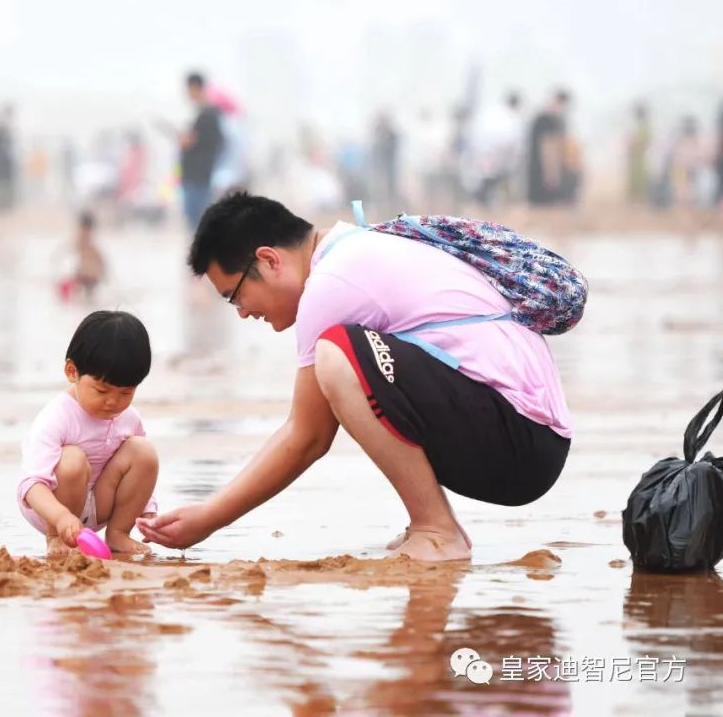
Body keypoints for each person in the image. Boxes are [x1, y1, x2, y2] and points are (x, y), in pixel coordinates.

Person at [137, 192, 572, 562]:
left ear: (269, 260)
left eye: (235, 297)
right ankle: (430, 523)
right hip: (530, 437)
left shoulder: (332, 282)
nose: (245, 312)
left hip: (520, 440)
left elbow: (307, 436)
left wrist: (210, 517)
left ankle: (437, 531)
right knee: (349, 355)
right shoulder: (357, 248)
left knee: (338, 354)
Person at [17, 311, 159, 557]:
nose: (113, 402)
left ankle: (118, 534)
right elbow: (31, 486)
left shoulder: (129, 418)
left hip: (100, 501)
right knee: (71, 459)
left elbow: (139, 471)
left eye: (125, 393)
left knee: (143, 451)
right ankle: (56, 539)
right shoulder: (57, 416)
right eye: (101, 391)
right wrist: (60, 517)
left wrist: (147, 510)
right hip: (53, 508)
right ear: (72, 372)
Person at [177, 72, 223, 230]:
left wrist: (185, 140)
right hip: (198, 176)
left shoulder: (208, 114)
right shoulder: (207, 114)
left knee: (198, 224)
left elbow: (193, 142)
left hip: (198, 177)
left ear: (195, 87)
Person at [527, 90, 570, 206]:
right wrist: (551, 175)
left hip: (534, 176)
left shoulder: (540, 117)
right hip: (543, 182)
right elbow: (549, 149)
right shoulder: (549, 120)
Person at [56, 211, 106, 302]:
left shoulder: (85, 242)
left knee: (86, 297)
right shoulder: (87, 242)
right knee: (86, 297)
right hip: (87, 275)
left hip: (88, 275)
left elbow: (100, 260)